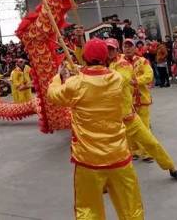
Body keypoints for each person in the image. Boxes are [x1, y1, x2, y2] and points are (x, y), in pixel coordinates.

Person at [47, 39, 144, 219]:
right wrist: (80, 72)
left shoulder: (75, 84)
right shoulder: (117, 79)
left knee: (88, 211)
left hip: (88, 160)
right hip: (119, 156)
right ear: (106, 57)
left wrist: (58, 77)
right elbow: (99, 78)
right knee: (132, 209)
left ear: (84, 57)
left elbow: (53, 95)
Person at [106, 39, 177, 183]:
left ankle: (171, 167)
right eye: (107, 49)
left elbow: (130, 77)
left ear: (117, 49)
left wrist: (131, 81)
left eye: (112, 48)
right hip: (116, 117)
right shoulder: (110, 64)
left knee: (150, 140)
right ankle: (110, 177)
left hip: (135, 109)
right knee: (108, 150)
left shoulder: (127, 63)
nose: (110, 51)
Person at [122, 39, 154, 133]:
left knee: (145, 128)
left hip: (143, 100)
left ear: (135, 48)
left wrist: (136, 81)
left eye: (130, 46)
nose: (127, 49)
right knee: (131, 130)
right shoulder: (119, 63)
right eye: (125, 47)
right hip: (128, 103)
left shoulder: (142, 61)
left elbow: (149, 75)